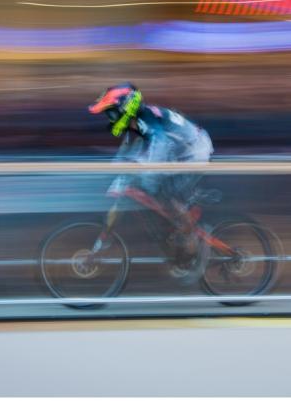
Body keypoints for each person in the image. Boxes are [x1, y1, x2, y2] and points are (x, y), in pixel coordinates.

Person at [88, 82, 214, 282]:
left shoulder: (145, 119)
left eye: (111, 114)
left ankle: (192, 239)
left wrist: (143, 174)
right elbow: (125, 154)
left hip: (194, 151)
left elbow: (159, 146)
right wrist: (114, 175)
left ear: (125, 108)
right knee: (151, 186)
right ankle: (179, 233)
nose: (110, 119)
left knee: (168, 193)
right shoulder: (135, 123)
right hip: (178, 150)